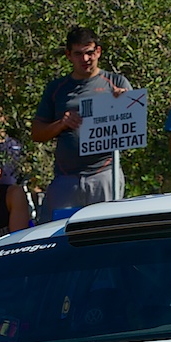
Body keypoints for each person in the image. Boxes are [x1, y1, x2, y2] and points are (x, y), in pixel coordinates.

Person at [31, 26, 132, 223]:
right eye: (78, 54)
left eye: (90, 53)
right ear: (68, 55)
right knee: (61, 234)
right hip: (67, 179)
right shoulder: (56, 89)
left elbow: (132, 132)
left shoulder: (116, 82)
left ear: (98, 52)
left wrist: (124, 105)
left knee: (106, 231)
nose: (85, 59)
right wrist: (61, 124)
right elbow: (37, 133)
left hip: (104, 174)